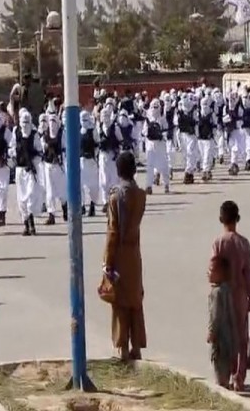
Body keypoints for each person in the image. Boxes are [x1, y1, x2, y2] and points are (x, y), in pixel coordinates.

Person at [102, 151, 147, 361]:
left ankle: (122, 348)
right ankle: (136, 346)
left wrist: (107, 261)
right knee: (135, 299)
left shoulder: (115, 196)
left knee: (119, 300)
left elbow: (113, 231)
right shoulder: (140, 195)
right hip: (135, 251)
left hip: (119, 252)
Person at [210, 200, 250, 392]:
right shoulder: (243, 243)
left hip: (223, 294)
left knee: (224, 333)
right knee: (241, 336)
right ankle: (239, 377)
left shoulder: (218, 243)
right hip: (240, 294)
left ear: (221, 219)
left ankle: (225, 374)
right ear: (237, 219)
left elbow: (212, 271)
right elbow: (249, 272)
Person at [10, 110, 44, 236]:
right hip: (20, 169)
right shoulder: (16, 132)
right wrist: (14, 156)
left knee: (31, 196)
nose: (24, 125)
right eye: (22, 122)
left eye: (27, 122)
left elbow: (40, 151)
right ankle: (26, 225)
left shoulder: (34, 135)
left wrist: (33, 163)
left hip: (31, 170)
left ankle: (32, 224)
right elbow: (12, 148)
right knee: (21, 199)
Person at [207, 255, 238, 389]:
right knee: (226, 369)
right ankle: (225, 383)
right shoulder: (227, 290)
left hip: (220, 340)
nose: (208, 273)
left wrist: (211, 332)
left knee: (219, 370)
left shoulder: (216, 293)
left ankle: (222, 386)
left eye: (211, 270)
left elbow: (215, 315)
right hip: (229, 338)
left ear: (220, 274)